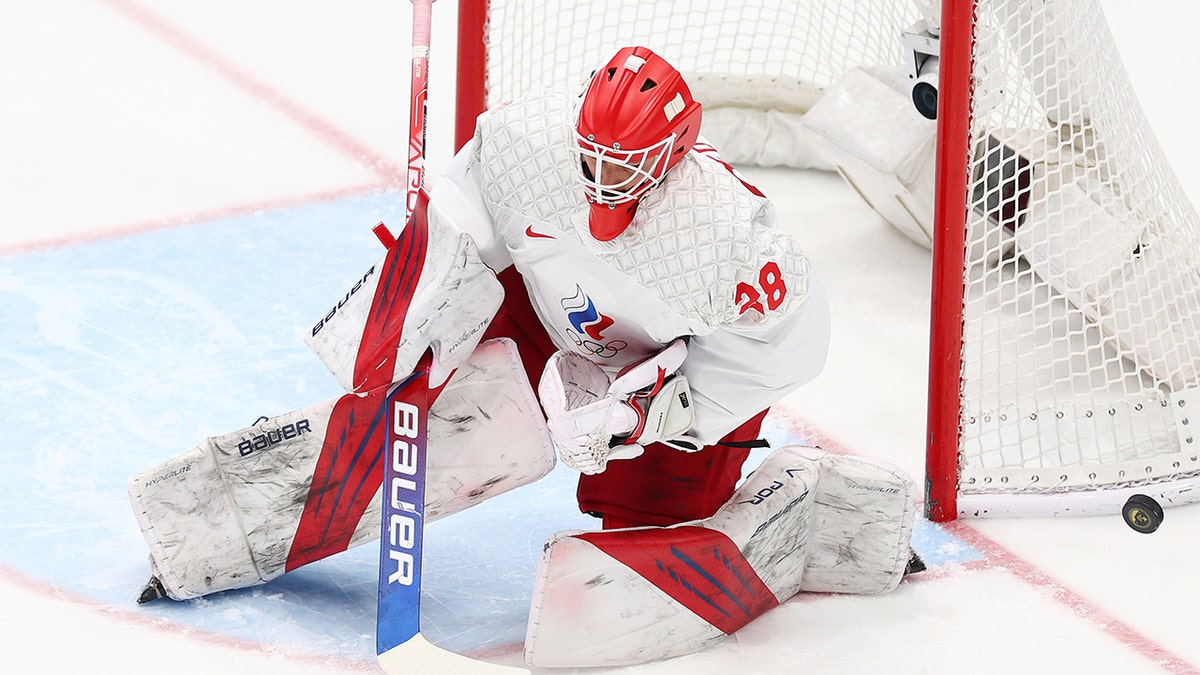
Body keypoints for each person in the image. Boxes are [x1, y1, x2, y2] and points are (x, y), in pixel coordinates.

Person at [426, 44, 832, 529]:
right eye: (590, 159)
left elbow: (786, 353)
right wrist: (415, 302)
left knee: (644, 513)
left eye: (620, 165)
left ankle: (797, 518)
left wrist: (652, 414)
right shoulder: (524, 141)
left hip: (661, 384)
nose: (601, 179)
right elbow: (455, 235)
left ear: (675, 148)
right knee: (440, 389)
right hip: (544, 320)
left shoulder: (726, 238)